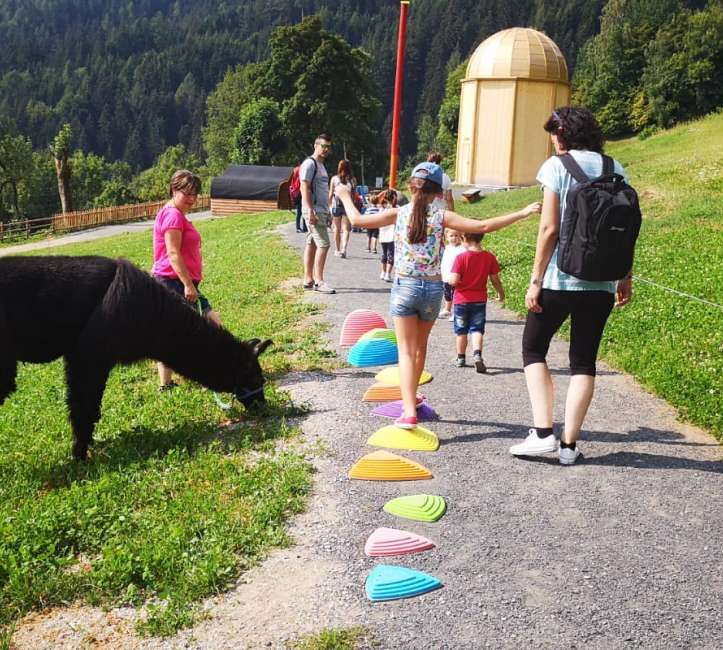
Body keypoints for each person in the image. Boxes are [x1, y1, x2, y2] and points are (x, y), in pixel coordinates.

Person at [336, 161, 540, 429]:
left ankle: (409, 411)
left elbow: (358, 220)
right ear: (438, 193)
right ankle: (412, 398)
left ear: (411, 186)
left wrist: (343, 195)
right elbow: (484, 226)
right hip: (432, 289)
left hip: (405, 287)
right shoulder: (442, 217)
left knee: (406, 352)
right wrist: (523, 212)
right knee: (419, 349)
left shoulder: (398, 213)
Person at [509, 106, 633, 465]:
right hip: (601, 283)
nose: (552, 140)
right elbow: (623, 231)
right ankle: (568, 447)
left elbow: (549, 229)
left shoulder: (555, 167)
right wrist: (625, 275)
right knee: (583, 362)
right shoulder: (615, 168)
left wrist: (535, 280)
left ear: (563, 134)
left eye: (553, 134)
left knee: (533, 350)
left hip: (560, 279)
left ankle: (543, 433)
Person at [151, 169, 222, 390]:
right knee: (196, 330)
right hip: (173, 282)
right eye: (187, 194)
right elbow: (173, 253)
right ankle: (206, 375)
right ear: (174, 189)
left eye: (195, 194)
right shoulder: (172, 215)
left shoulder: (175, 213)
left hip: (176, 282)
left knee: (200, 325)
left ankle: (168, 384)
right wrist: (188, 284)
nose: (192, 199)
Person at [447, 232, 504, 373]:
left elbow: (454, 281)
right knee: (477, 329)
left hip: (461, 300)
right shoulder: (489, 257)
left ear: (464, 238)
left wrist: (449, 280)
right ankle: (477, 355)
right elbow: (495, 279)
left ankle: (460, 358)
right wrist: (500, 292)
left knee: (461, 330)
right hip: (479, 300)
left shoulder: (461, 258)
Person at [301, 133, 335, 294]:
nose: (326, 149)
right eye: (323, 146)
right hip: (314, 211)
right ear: (316, 146)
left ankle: (308, 278)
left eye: (328, 147)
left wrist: (327, 211)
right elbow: (305, 187)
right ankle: (319, 281)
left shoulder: (321, 165)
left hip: (321, 210)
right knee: (324, 244)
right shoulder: (310, 164)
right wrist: (310, 210)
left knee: (312, 243)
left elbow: (322, 190)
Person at [329, 159, 355, 258]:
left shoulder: (334, 179)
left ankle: (337, 249)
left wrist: (329, 206)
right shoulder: (352, 180)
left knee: (336, 228)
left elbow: (331, 194)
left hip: (336, 206)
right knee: (346, 229)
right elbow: (353, 196)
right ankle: (344, 249)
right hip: (347, 206)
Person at [372, 189, 398, 281]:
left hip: (383, 234)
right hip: (393, 234)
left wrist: (382, 194)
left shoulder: (382, 208)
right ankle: (388, 274)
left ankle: (383, 272)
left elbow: (375, 199)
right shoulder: (396, 208)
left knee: (384, 254)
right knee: (391, 254)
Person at [439, 229, 463, 319]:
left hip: (456, 276)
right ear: (446, 237)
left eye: (456, 235)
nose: (454, 238)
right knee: (447, 293)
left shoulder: (462, 249)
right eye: (451, 236)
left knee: (455, 294)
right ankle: (447, 309)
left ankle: (456, 313)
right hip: (446, 275)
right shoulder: (446, 248)